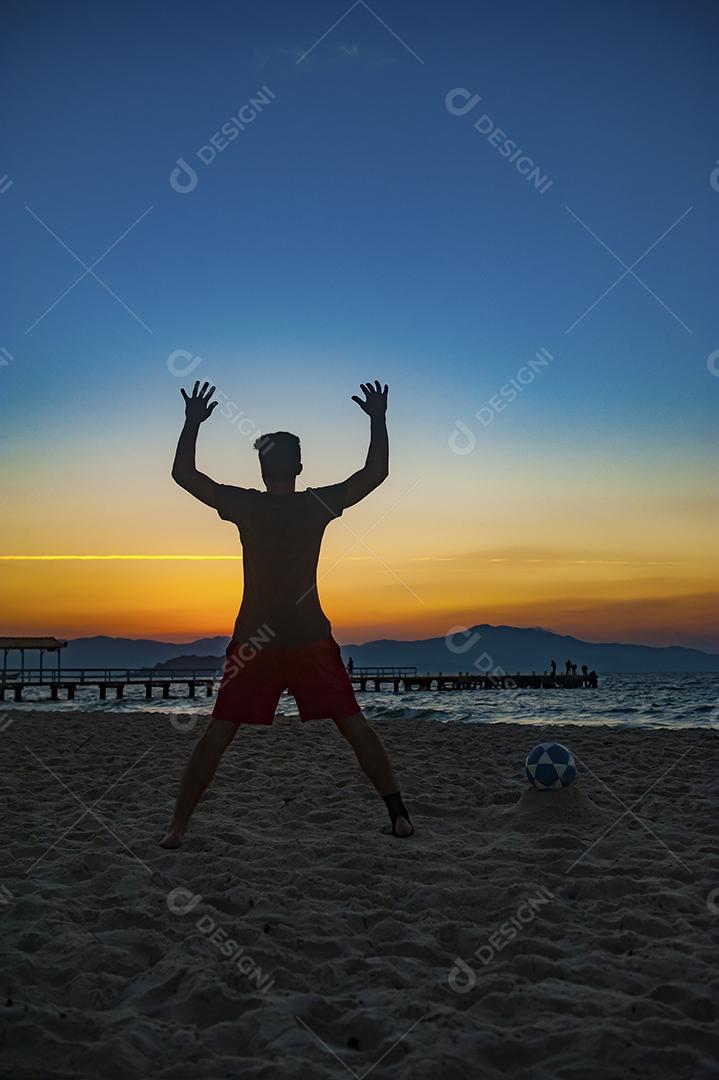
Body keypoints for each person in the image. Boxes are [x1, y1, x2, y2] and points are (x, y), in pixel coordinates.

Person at [161, 379, 413, 847]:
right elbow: (374, 473)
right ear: (298, 466)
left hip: (254, 640)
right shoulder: (315, 505)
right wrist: (378, 418)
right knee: (354, 726)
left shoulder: (245, 504)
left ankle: (177, 828)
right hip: (309, 637)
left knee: (218, 733)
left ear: (261, 469)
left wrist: (192, 422)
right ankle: (398, 816)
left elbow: (184, 474)